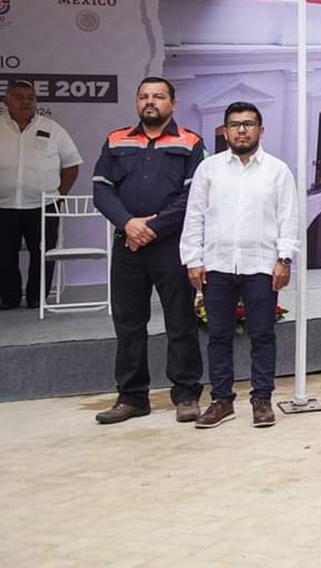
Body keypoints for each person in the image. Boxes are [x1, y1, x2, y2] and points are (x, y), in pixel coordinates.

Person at [92, 77, 205, 425]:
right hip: (127, 245)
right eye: (143, 96)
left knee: (180, 321)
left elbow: (191, 198)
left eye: (158, 96)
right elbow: (101, 190)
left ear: (173, 103)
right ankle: (131, 397)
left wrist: (150, 228)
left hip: (170, 246)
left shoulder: (190, 142)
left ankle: (186, 394)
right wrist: (128, 224)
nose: (150, 102)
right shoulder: (116, 140)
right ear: (137, 102)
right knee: (128, 323)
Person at [181, 102, 299, 429]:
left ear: (261, 130)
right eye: (234, 124)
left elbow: (288, 219)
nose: (242, 130)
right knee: (218, 336)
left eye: (248, 124)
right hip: (217, 265)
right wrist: (193, 259)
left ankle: (262, 399)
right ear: (225, 131)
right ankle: (221, 400)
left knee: (263, 335)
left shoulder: (277, 170)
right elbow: (194, 218)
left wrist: (284, 259)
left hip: (262, 266)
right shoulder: (209, 169)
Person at [0, 80, 82, 310]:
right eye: (19, 97)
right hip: (3, 206)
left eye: (30, 97)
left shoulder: (53, 129)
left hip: (44, 204)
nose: (26, 101)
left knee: (43, 253)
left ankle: (37, 298)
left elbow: (72, 165)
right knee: (4, 255)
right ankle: (9, 298)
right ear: (7, 100)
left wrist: (59, 196)